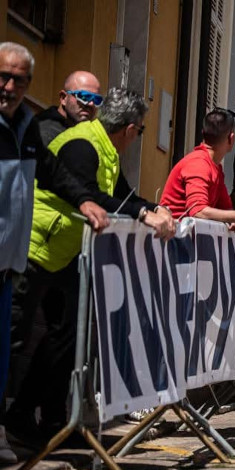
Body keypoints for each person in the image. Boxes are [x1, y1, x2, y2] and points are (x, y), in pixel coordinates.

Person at [6, 88, 176, 444]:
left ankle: (51, 420)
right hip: (38, 244)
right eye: (141, 130)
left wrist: (153, 208)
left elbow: (121, 194)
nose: (138, 136)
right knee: (18, 335)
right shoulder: (83, 145)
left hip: (66, 250)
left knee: (69, 336)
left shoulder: (104, 147)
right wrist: (143, 213)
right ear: (130, 129)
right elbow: (87, 194)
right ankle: (16, 421)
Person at [0, 43, 103, 463]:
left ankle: (13, 429)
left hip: (13, 258)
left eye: (19, 80)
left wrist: (84, 201)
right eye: (3, 77)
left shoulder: (25, 126)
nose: (8, 86)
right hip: (38, 250)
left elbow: (54, 173)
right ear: (62, 97)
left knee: (23, 341)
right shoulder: (42, 125)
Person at [160, 108, 235, 228]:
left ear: (203, 133)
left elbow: (226, 210)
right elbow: (198, 211)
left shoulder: (215, 168)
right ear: (231, 138)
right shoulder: (198, 164)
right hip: (173, 240)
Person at [36, 71, 102, 146]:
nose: (91, 104)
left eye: (97, 99)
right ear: (63, 98)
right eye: (84, 96)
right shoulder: (43, 133)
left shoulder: (89, 133)